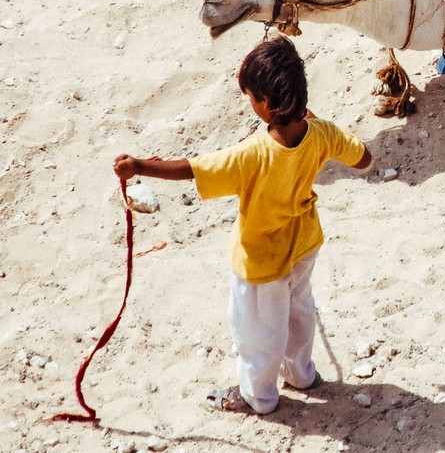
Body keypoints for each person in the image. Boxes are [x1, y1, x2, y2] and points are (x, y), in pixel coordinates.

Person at [113, 34, 372, 415]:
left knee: (258, 332)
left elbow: (194, 169)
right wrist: (311, 117)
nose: (250, 103)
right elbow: (364, 158)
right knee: (300, 311)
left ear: (267, 104)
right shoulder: (322, 134)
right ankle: (301, 374)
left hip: (261, 259)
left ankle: (258, 396)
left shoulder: (251, 155)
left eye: (251, 97)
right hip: (304, 244)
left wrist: (139, 166)